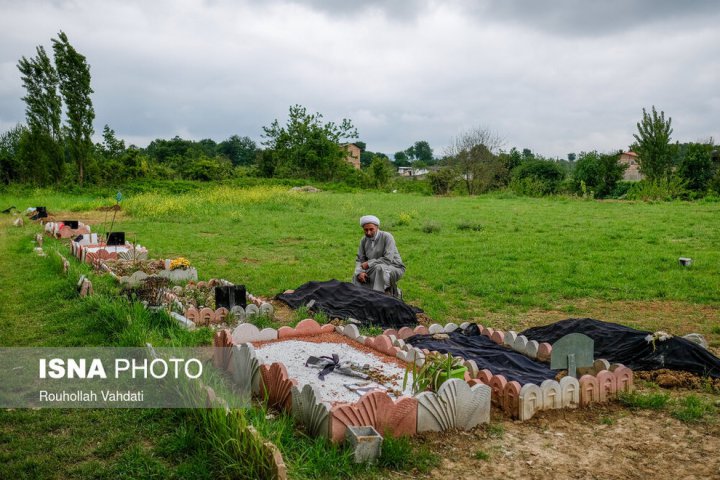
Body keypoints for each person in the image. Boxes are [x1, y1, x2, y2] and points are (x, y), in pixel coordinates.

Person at [352, 215, 405, 296]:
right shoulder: (363, 240)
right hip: (374, 266)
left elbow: (388, 259)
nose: (368, 232)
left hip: (394, 267)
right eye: (365, 230)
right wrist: (360, 272)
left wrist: (369, 263)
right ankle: (363, 297)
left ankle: (379, 296)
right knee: (357, 276)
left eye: (371, 229)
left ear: (377, 227)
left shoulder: (387, 237)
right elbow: (360, 259)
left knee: (379, 269)